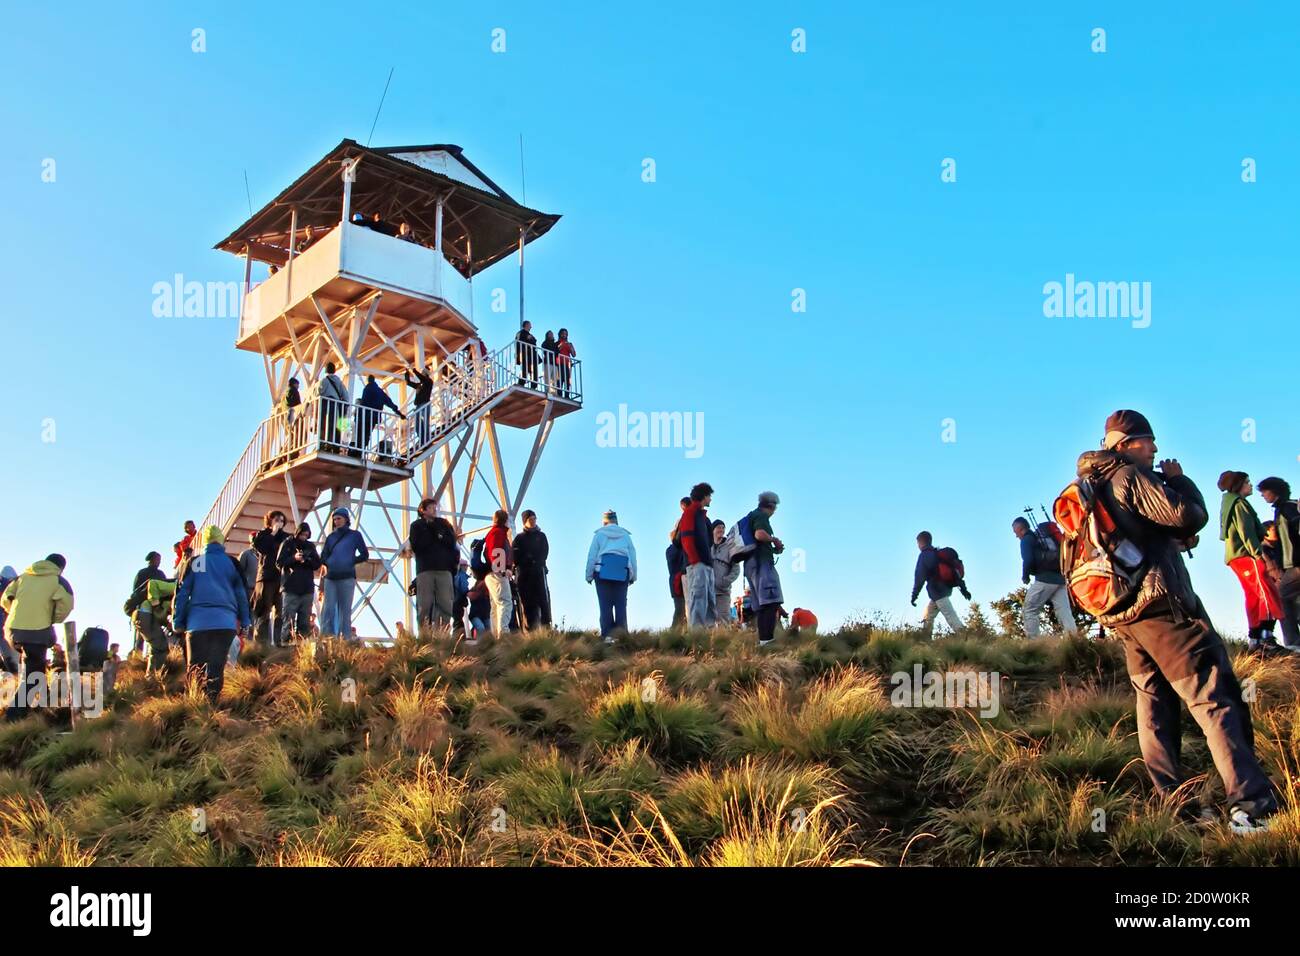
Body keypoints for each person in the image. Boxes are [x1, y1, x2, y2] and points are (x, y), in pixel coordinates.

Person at [1074, 410, 1278, 833]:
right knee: (1215, 697)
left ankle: (1176, 806)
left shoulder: (1092, 484)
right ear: (1126, 444)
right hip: (1165, 608)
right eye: (1149, 442)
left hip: (1126, 613)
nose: (1156, 449)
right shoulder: (1129, 476)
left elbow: (1149, 532)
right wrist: (1179, 480)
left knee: (1154, 704)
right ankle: (1251, 807)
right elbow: (1189, 515)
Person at [173, 527, 250, 704]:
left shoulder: (196, 562)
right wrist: (245, 622)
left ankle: (193, 708)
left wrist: (179, 621)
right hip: (225, 624)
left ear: (205, 542)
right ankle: (211, 707)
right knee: (216, 667)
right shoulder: (232, 563)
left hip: (197, 624)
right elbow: (241, 596)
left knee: (195, 668)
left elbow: (183, 594)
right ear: (221, 541)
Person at [1217, 472, 1284, 653]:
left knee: (1254, 597)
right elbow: (1246, 532)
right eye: (1247, 482)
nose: (1250, 485)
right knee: (1267, 593)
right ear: (1238, 485)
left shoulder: (1230, 503)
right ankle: (1266, 638)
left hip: (1237, 558)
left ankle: (1255, 641)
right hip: (1247, 556)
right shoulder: (1239, 505)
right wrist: (1258, 555)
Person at [1, 554, 74, 718]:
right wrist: (52, 618)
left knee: (35, 668)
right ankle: (14, 716)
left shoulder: (22, 577)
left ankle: (43, 707)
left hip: (12, 631)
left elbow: (5, 599)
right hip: (36, 632)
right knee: (32, 674)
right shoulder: (59, 581)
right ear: (61, 568)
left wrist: (14, 613)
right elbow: (67, 605)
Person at [1012, 517, 1077, 638]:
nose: (1016, 536)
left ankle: (1034, 644)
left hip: (1045, 579)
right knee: (1064, 611)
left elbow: (1028, 560)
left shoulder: (1026, 540)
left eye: (1015, 532)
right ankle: (1074, 641)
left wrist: (1025, 576)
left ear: (1021, 529)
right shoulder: (1041, 538)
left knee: (1030, 609)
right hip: (1060, 579)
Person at [1255, 476, 1300, 650]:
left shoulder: (1287, 507)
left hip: (1296, 565)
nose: (1262, 495)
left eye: (1264, 491)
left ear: (1274, 491)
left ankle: (1293, 643)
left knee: (1280, 598)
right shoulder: (1284, 508)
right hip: (1293, 565)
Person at [586, 510, 637, 642]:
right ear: (616, 521)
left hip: (602, 573)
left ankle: (608, 638)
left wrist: (589, 575)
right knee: (620, 605)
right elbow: (632, 556)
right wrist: (633, 576)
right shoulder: (626, 536)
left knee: (605, 605)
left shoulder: (599, 535)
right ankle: (621, 636)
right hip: (622, 572)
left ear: (604, 521)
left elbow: (592, 556)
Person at [409, 498, 459, 633]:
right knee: (424, 604)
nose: (435, 509)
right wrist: (434, 533)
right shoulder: (417, 526)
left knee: (445, 604)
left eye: (435, 507)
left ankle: (441, 637)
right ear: (422, 510)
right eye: (431, 507)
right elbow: (417, 546)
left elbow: (452, 543)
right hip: (425, 570)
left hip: (444, 569)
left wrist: (453, 565)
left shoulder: (444, 524)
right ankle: (424, 636)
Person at [743, 492, 786, 646]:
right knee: (771, 601)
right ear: (771, 505)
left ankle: (764, 641)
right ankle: (767, 640)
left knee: (762, 604)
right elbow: (759, 534)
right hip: (762, 564)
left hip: (751, 564)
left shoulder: (752, 515)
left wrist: (774, 548)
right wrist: (773, 539)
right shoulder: (761, 517)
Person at [319, 508, 369, 640]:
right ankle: (327, 638)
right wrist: (329, 562)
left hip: (347, 577)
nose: (336, 521)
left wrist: (350, 561)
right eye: (334, 519)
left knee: (345, 610)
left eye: (338, 518)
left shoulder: (355, 535)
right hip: (331, 577)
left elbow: (364, 554)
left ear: (346, 519)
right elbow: (323, 556)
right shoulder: (331, 537)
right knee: (329, 608)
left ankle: (345, 639)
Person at [911, 531, 969, 639]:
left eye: (918, 544)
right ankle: (925, 640)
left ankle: (967, 638)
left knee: (950, 616)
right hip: (943, 590)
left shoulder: (924, 555)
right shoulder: (936, 554)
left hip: (937, 591)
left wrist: (914, 595)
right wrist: (963, 589)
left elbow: (919, 577)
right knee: (928, 616)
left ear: (920, 543)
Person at [678, 483, 716, 627]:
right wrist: (695, 561)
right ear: (704, 496)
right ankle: (697, 636)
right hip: (697, 564)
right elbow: (686, 538)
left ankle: (710, 635)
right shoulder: (689, 513)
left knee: (709, 600)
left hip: (706, 564)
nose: (710, 500)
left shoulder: (702, 516)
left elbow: (709, 541)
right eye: (709, 496)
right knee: (699, 598)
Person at [277, 522, 321, 642]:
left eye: (306, 535)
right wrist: (294, 558)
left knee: (304, 622)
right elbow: (279, 562)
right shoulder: (287, 543)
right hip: (290, 587)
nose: (303, 537)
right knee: (288, 620)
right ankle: (285, 645)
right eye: (302, 534)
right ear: (297, 533)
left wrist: (306, 560)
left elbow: (317, 564)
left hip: (306, 588)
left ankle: (302, 647)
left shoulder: (310, 546)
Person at [252, 510, 290, 647]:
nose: (279, 523)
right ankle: (261, 644)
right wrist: (272, 533)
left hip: (281, 578)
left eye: (281, 520)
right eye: (276, 520)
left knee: (281, 612)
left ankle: (279, 642)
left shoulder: (286, 537)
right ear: (270, 521)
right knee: (264, 610)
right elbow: (260, 548)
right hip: (266, 577)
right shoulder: (263, 535)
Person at [513, 510, 551, 631]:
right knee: (528, 604)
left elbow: (545, 552)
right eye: (530, 519)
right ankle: (531, 631)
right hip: (524, 576)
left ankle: (546, 628)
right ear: (525, 521)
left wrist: (537, 561)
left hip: (539, 573)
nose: (533, 521)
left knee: (543, 602)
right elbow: (515, 556)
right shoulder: (519, 538)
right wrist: (527, 559)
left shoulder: (541, 536)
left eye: (535, 518)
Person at [129, 552, 169, 656]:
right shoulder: (148, 573)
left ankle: (141, 658)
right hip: (146, 608)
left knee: (143, 636)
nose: (159, 562)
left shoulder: (154, 573)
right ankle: (137, 659)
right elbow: (136, 592)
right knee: (141, 637)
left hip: (149, 607)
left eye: (160, 560)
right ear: (151, 560)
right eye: (157, 559)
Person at [483, 510, 515, 637]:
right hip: (497, 573)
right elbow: (496, 551)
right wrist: (503, 569)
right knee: (505, 602)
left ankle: (496, 635)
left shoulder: (492, 533)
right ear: (505, 520)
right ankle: (503, 634)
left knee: (496, 606)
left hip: (490, 573)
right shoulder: (499, 533)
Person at [356, 375, 405, 458]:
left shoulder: (367, 389)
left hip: (365, 416)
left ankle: (359, 451)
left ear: (368, 381)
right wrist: (399, 413)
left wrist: (357, 416)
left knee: (360, 434)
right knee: (366, 435)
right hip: (373, 417)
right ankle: (362, 451)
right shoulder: (380, 392)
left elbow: (363, 403)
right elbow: (390, 403)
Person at [711, 519, 741, 625]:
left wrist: (726, 581)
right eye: (719, 527)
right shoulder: (707, 546)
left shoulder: (729, 546)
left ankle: (723, 640)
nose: (722, 529)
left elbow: (736, 568)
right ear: (712, 530)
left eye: (723, 527)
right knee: (708, 623)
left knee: (723, 621)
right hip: (708, 591)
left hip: (722, 591)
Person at [316, 362, 349, 451]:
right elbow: (346, 396)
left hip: (325, 406)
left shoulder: (323, 381)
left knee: (323, 426)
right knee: (335, 427)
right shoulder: (339, 382)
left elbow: (318, 394)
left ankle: (323, 445)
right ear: (334, 371)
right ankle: (335, 446)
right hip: (336, 407)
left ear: (326, 370)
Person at [667, 497, 689, 628]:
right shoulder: (674, 550)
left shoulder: (672, 550)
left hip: (676, 581)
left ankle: (677, 633)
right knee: (681, 610)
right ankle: (674, 633)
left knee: (681, 609)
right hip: (678, 581)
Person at [403, 362, 435, 450]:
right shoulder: (420, 384)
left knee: (424, 423)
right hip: (418, 406)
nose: (421, 374)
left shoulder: (429, 382)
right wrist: (407, 374)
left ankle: (427, 440)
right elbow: (408, 383)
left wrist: (413, 370)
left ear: (425, 374)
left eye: (423, 373)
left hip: (425, 404)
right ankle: (422, 440)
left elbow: (422, 378)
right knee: (418, 425)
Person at [0, 566, 18, 672]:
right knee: (14, 660)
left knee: (8, 659)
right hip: (15, 628)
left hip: (3, 628)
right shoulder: (18, 586)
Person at [515, 320, 538, 386]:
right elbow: (518, 342)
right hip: (525, 354)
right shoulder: (520, 333)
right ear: (526, 325)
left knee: (533, 370)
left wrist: (530, 338)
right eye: (530, 325)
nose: (531, 327)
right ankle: (521, 383)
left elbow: (534, 341)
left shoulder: (529, 334)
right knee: (525, 370)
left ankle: (534, 385)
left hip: (532, 354)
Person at [237, 532, 259, 599]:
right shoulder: (245, 554)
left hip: (260, 589)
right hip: (249, 589)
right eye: (253, 539)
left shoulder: (264, 554)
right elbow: (239, 571)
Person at [556, 328, 577, 397]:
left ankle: (567, 395)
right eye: (563, 334)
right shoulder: (557, 343)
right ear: (560, 334)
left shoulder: (569, 344)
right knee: (560, 379)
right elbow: (556, 351)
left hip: (567, 364)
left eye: (565, 334)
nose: (564, 335)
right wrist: (561, 345)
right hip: (559, 363)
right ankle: (559, 394)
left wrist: (570, 347)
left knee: (567, 380)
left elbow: (574, 354)